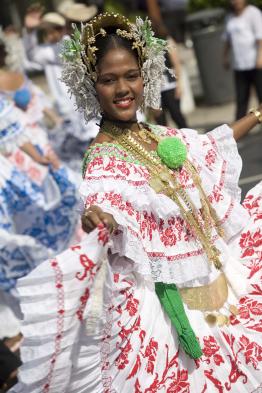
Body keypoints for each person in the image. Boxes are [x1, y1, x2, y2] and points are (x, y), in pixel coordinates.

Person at [10, 13, 262, 392]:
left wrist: (256, 115)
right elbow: (101, 200)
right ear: (90, 87)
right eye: (108, 80)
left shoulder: (156, 135)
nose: (122, 88)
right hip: (173, 310)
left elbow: (208, 146)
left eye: (131, 75)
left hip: (219, 281)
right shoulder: (103, 157)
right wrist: (99, 218)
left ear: (145, 76)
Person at [223, 0, 262, 120]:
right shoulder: (229, 17)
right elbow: (227, 39)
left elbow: (260, 36)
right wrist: (224, 57)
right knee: (241, 99)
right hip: (239, 65)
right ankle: (238, 130)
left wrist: (260, 56)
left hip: (255, 63)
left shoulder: (253, 13)